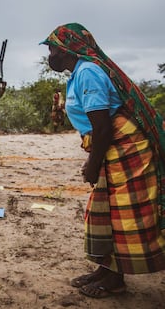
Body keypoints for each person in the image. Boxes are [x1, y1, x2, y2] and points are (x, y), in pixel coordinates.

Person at [41, 23, 165, 298]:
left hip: (125, 149)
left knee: (122, 214)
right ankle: (106, 270)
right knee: (104, 212)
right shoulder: (78, 74)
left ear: (66, 50)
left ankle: (115, 280)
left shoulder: (88, 73)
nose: (49, 55)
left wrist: (92, 165)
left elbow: (103, 128)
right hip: (111, 146)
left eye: (51, 49)